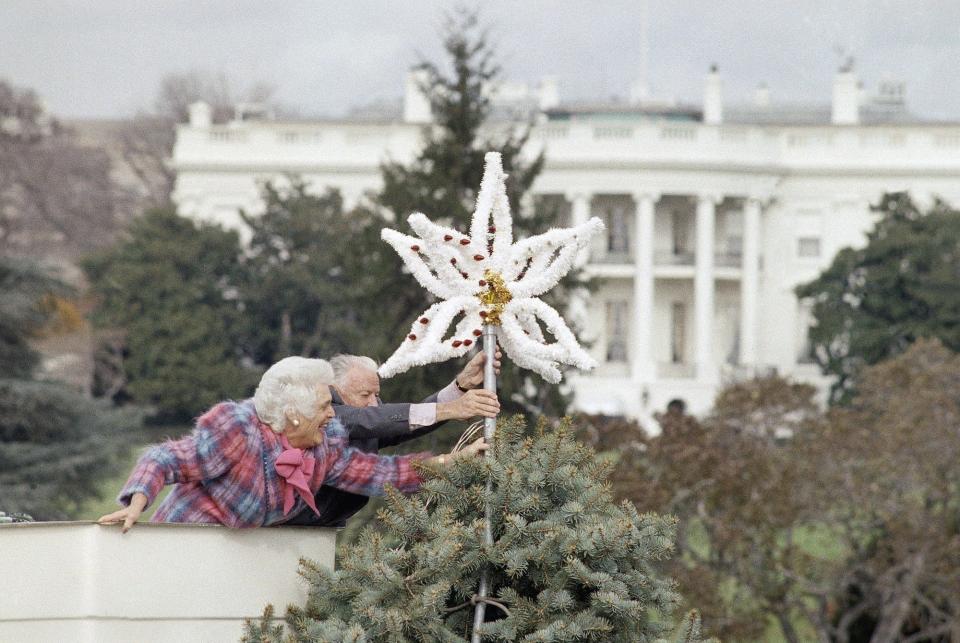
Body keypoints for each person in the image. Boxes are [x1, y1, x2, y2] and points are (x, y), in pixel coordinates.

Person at [97, 357, 487, 532]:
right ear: (295, 415)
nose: (334, 416)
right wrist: (137, 500)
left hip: (244, 543)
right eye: (324, 406)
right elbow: (165, 457)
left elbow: (385, 473)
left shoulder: (325, 443)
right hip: (185, 537)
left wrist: (455, 461)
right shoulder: (238, 430)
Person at [285, 351, 501, 527]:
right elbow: (369, 420)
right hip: (270, 535)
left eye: (376, 395)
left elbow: (403, 424)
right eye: (364, 395)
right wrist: (451, 411)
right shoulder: (319, 414)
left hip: (318, 532)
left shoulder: (366, 416)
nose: (374, 403)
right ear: (334, 390)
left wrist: (460, 387)